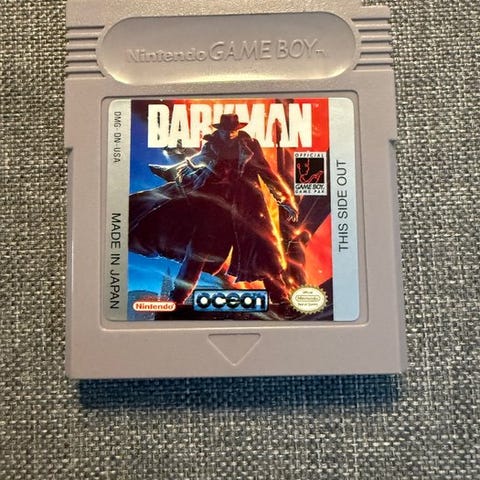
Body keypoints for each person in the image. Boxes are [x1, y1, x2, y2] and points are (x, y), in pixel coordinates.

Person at [129, 114, 298, 304]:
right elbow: (194, 162)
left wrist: (285, 200)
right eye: (225, 130)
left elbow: (267, 173)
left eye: (231, 130)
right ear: (220, 129)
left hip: (245, 207)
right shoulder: (211, 145)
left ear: (237, 130)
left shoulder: (250, 146)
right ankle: (177, 298)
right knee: (197, 251)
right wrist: (171, 170)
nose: (228, 134)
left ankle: (279, 297)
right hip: (212, 207)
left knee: (263, 252)